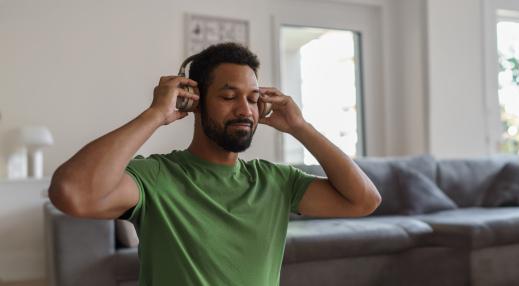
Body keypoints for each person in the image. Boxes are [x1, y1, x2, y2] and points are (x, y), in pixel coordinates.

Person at [48, 42, 381, 285]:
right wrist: (154, 115)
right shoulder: (157, 176)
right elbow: (72, 192)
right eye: (228, 96)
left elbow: (364, 201)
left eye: (253, 98)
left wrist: (300, 127)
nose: (244, 109)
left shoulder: (276, 181)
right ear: (195, 103)